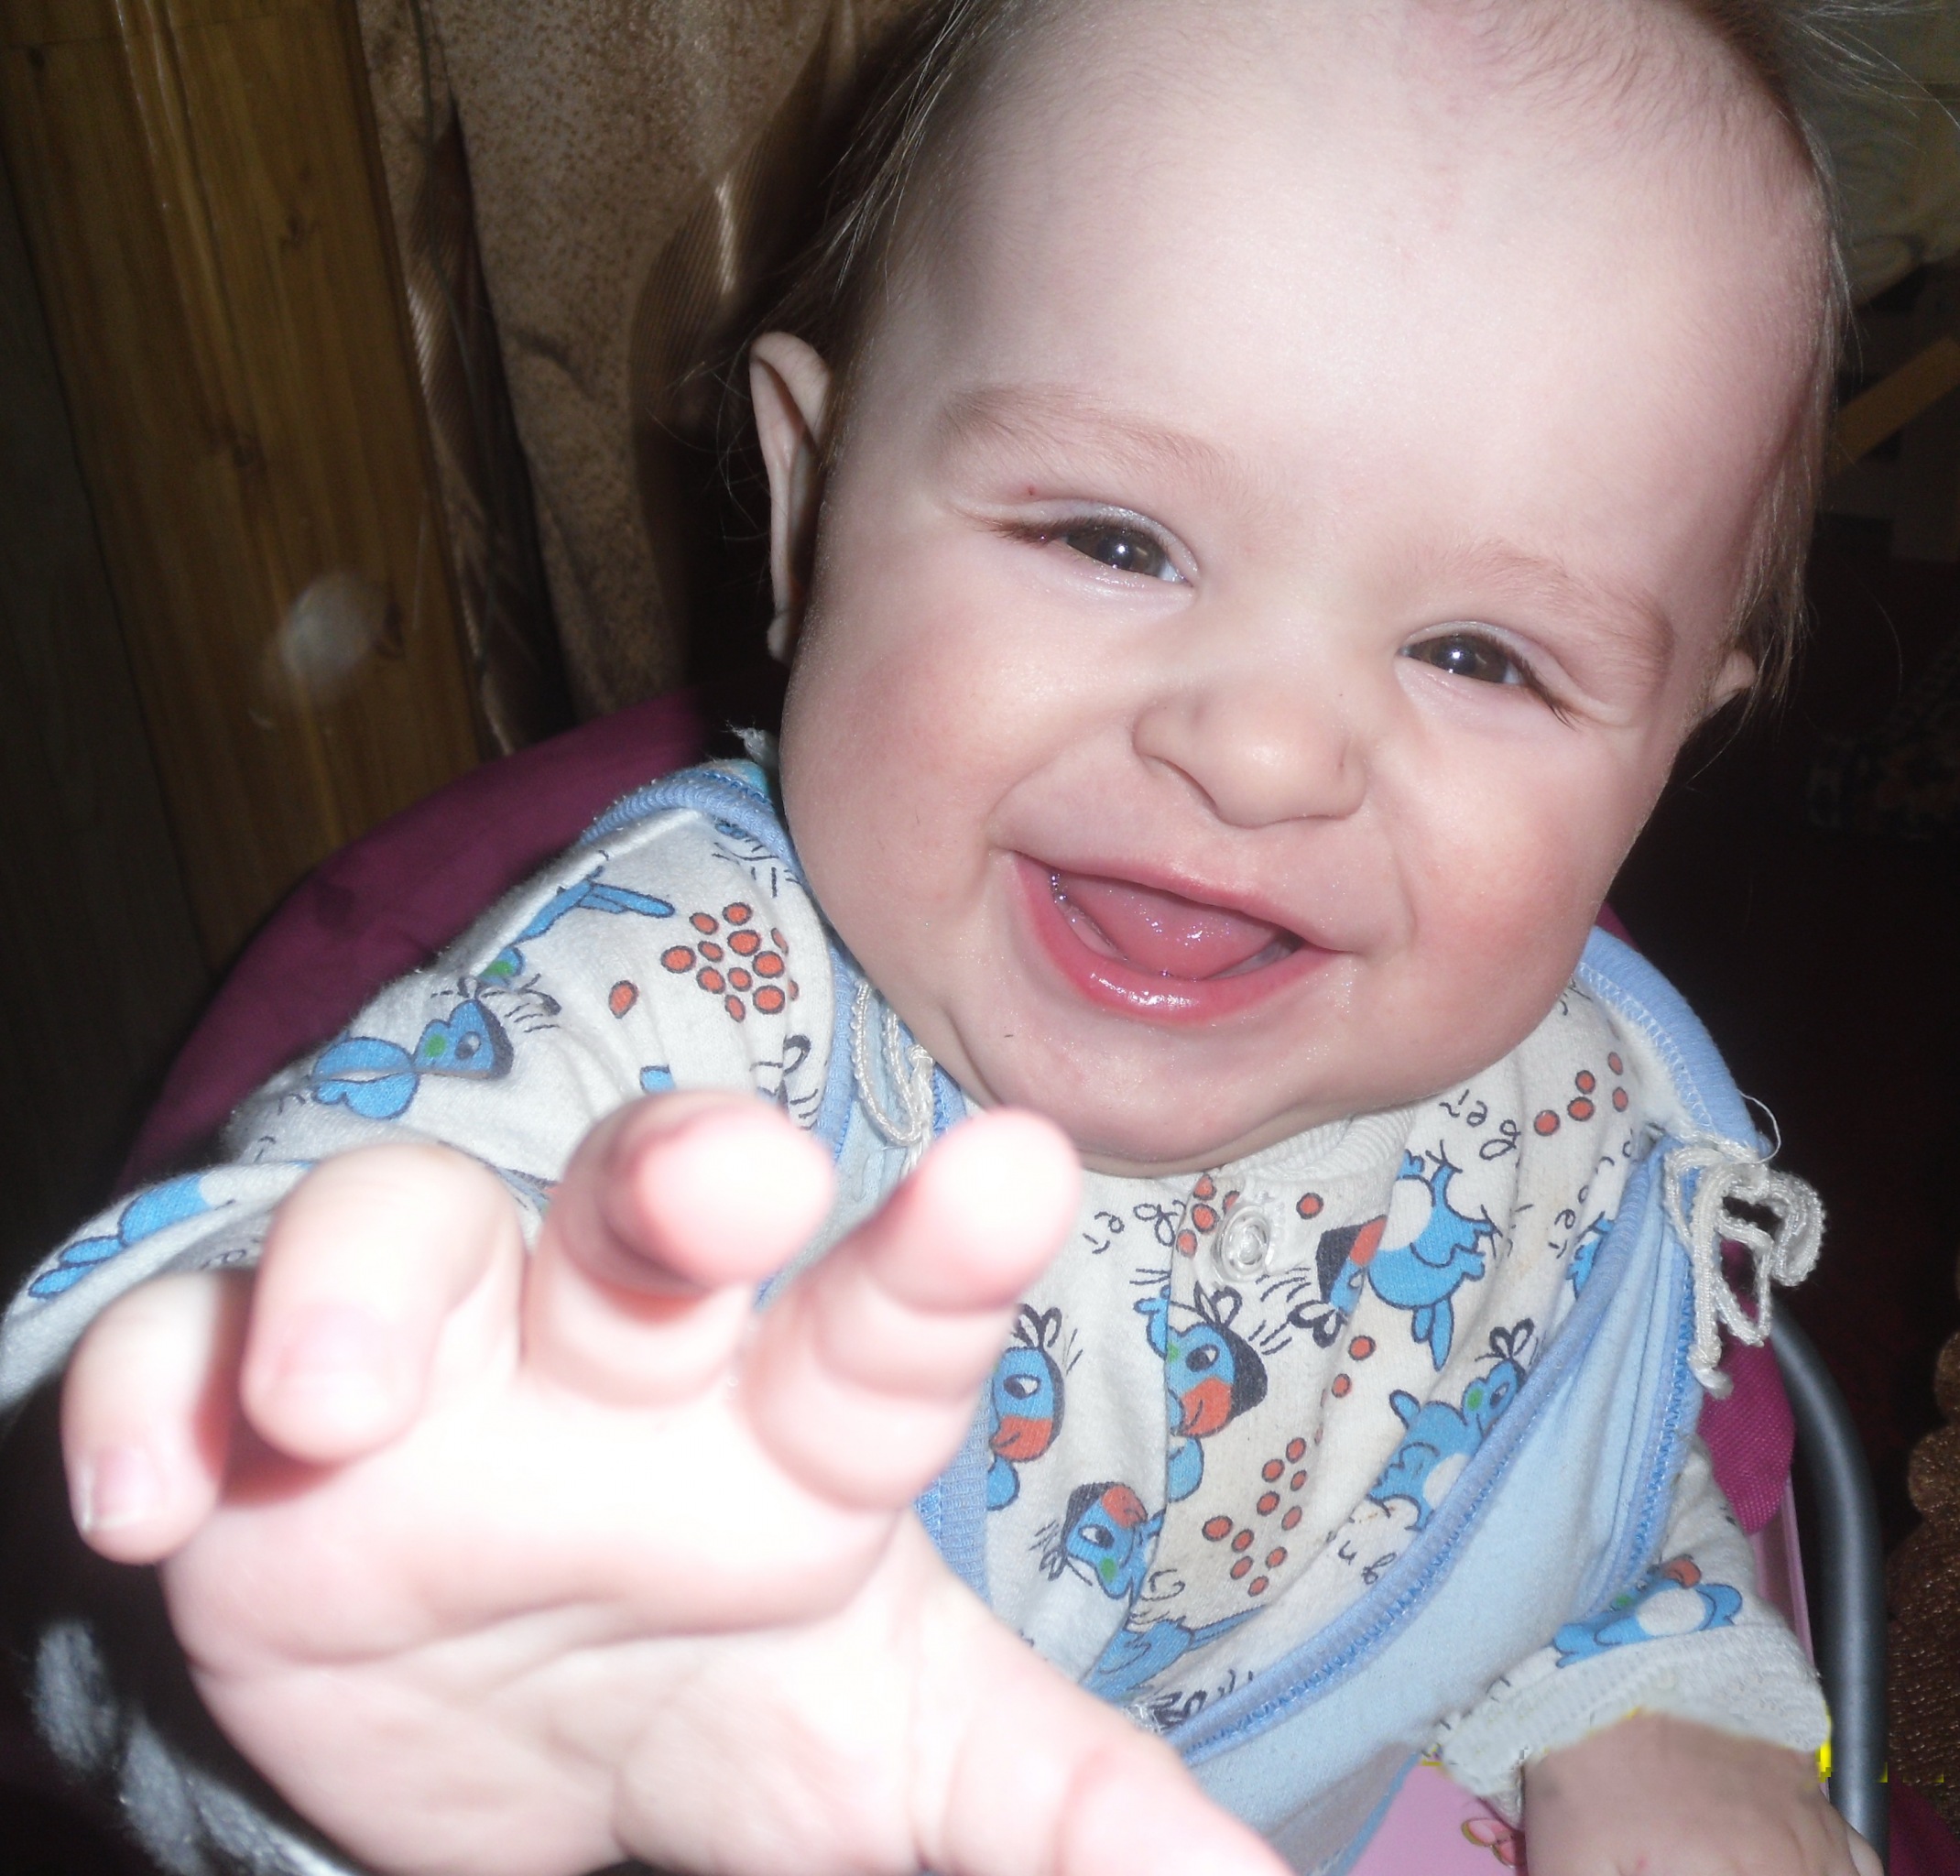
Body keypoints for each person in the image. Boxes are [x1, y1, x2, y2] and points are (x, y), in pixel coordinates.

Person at [0, 0, 1882, 1871]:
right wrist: (361, 1590)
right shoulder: (670, 1027)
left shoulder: (1554, 1105)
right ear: (807, 506)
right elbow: (215, 1457)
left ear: (1665, 748)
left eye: (1479, 655)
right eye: (1109, 540)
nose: (1261, 751)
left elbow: (1566, 1435)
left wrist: (1650, 1685)